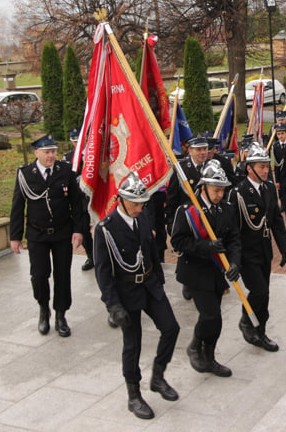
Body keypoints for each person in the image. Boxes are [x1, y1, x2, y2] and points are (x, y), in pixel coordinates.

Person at [93, 172, 180, 420]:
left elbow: (152, 251)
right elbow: (103, 271)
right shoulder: (106, 229)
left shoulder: (142, 218)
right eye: (135, 203)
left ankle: (158, 376)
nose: (139, 208)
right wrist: (112, 305)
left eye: (142, 203)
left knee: (171, 328)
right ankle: (134, 394)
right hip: (126, 291)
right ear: (120, 199)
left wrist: (160, 282)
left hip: (150, 284)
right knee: (133, 344)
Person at [169, 160, 242, 377]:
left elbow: (234, 240)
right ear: (204, 188)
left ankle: (209, 357)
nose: (220, 195)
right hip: (196, 271)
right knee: (211, 316)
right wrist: (205, 246)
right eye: (215, 190)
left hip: (217, 273)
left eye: (222, 190)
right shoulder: (188, 211)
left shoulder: (227, 209)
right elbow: (177, 242)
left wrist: (235, 263)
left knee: (215, 318)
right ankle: (195, 346)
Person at [9, 134, 85, 337]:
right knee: (39, 275)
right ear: (37, 153)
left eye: (53, 152)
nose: (51, 156)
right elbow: (17, 207)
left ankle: (61, 314)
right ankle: (44, 309)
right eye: (47, 152)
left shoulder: (65, 171)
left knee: (62, 275)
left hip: (62, 232)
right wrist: (15, 237)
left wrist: (78, 230)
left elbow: (77, 204)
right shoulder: (25, 174)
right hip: (37, 234)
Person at [229, 143, 286, 352]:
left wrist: (284, 247)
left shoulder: (269, 187)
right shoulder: (238, 193)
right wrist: (233, 260)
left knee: (265, 294)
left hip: (264, 250)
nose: (266, 171)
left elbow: (275, 220)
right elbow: (232, 230)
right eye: (262, 167)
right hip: (246, 253)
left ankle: (260, 331)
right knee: (259, 291)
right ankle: (246, 320)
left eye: (267, 166)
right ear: (249, 168)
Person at [165, 135, 209, 300]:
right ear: (190, 151)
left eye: (205, 149)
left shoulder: (213, 166)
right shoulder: (181, 169)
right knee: (188, 253)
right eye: (199, 149)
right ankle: (188, 283)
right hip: (188, 221)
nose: (203, 152)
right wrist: (170, 222)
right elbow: (172, 198)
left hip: (207, 219)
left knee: (207, 250)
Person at [64, 128, 94, 271]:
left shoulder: (94, 154)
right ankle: (91, 256)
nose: (78, 143)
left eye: (80, 140)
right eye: (75, 141)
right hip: (80, 199)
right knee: (83, 228)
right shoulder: (68, 157)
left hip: (95, 196)